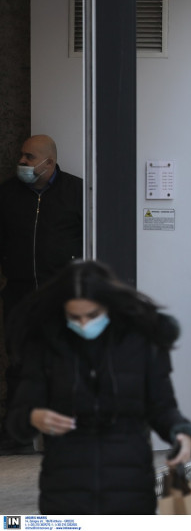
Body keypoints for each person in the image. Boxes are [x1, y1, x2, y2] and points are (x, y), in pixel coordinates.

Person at [5, 260, 191, 514]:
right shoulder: (46, 345)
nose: (84, 323)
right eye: (75, 317)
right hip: (65, 492)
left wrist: (183, 434)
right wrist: (34, 417)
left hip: (130, 490)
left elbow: (162, 407)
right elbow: (18, 417)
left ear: (109, 307)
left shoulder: (141, 342)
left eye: (92, 315)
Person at [0, 134, 83, 454]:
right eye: (21, 155)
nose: (21, 161)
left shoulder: (76, 192)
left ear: (49, 163)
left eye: (29, 157)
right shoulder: (7, 194)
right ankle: (18, 435)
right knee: (19, 365)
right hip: (20, 295)